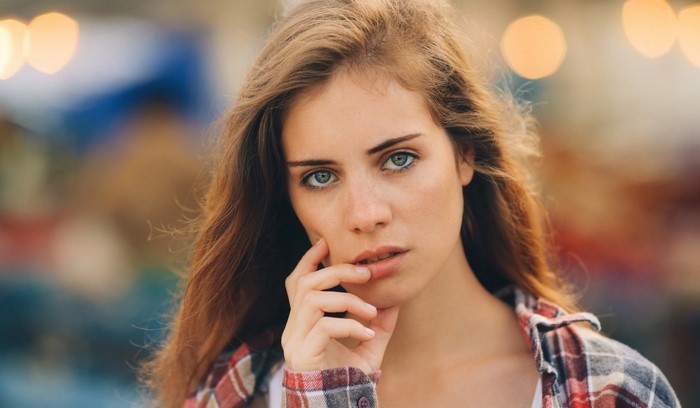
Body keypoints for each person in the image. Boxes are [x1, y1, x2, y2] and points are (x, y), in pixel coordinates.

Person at [142, 0, 681, 407]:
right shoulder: (244, 390)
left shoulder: (610, 389)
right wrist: (325, 393)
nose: (364, 213)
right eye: (321, 176)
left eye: (397, 160)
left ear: (463, 153)